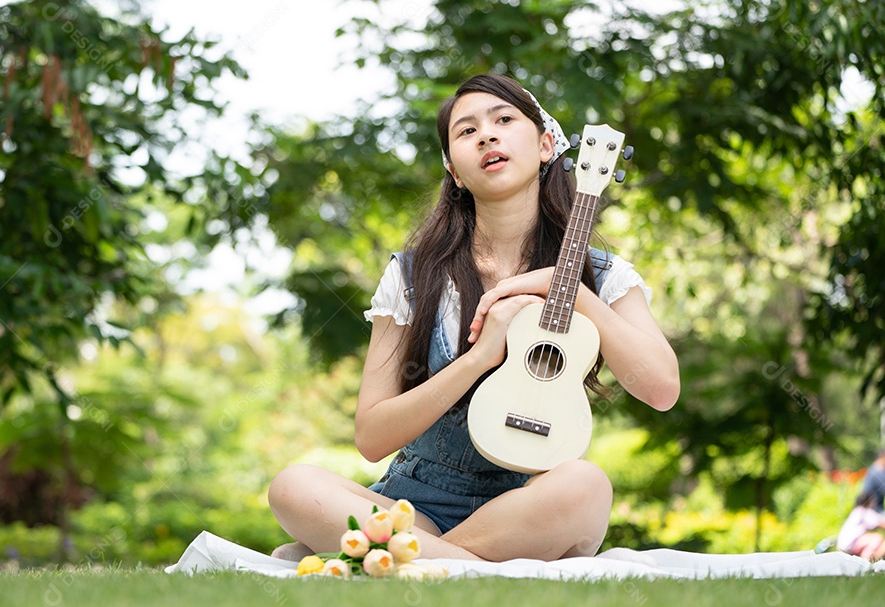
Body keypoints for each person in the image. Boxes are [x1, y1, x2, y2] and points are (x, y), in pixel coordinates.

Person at [267, 73, 680, 563]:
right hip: (411, 506)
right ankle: (461, 569)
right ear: (456, 173)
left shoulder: (603, 275)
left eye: (504, 120)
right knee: (294, 486)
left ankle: (395, 562)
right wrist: (481, 356)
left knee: (586, 484)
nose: (486, 135)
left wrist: (575, 297)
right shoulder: (413, 276)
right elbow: (372, 438)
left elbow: (661, 390)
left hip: (529, 511)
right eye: (466, 131)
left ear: (547, 145)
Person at [837, 491, 885, 560]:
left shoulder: (856, 511)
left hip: (844, 545)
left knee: (869, 537)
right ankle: (866, 561)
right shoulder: (864, 511)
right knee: (876, 538)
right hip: (849, 545)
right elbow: (879, 522)